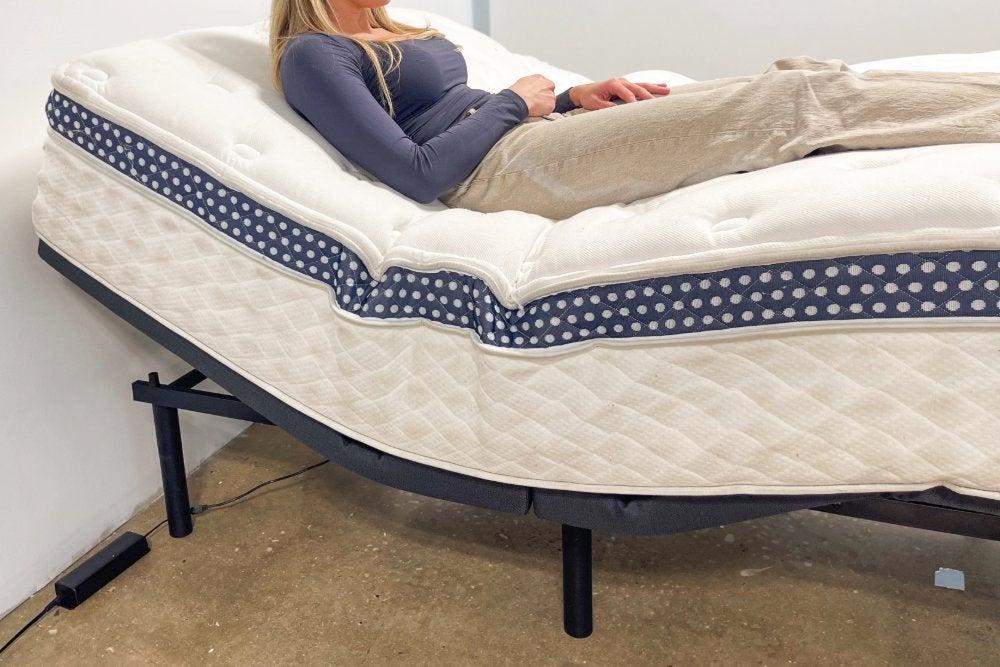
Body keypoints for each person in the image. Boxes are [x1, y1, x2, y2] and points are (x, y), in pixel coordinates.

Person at [273, 0, 1000, 219]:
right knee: (790, 102)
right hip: (492, 172)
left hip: (526, 135)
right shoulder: (313, 53)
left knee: (800, 78)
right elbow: (417, 172)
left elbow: (464, 111)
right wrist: (511, 103)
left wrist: (567, 98)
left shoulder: (391, 28)